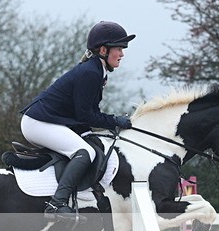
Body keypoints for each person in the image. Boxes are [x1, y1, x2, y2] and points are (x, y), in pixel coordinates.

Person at [20, 21, 135, 220]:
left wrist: (107, 124)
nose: (122, 54)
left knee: (92, 143)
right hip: (38, 123)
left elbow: (86, 113)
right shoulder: (91, 72)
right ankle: (57, 203)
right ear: (103, 50)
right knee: (85, 152)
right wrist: (114, 121)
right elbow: (85, 115)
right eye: (119, 49)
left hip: (52, 121)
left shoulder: (97, 70)